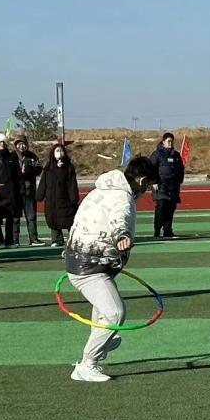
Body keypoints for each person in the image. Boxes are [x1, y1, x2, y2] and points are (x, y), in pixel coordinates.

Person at [64, 156, 158, 382]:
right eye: (147, 185)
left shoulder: (101, 190)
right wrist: (122, 236)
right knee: (115, 313)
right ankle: (87, 364)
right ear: (141, 180)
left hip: (86, 261)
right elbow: (119, 219)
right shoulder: (122, 198)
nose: (146, 190)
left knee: (104, 312)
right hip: (89, 267)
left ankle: (103, 342)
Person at [36, 143, 80, 247]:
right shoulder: (48, 167)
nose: (59, 153)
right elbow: (43, 182)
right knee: (53, 220)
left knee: (69, 220)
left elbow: (72, 184)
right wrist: (39, 195)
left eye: (61, 151)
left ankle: (72, 240)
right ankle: (56, 240)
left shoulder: (68, 167)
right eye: (57, 151)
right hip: (51, 200)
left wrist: (74, 198)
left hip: (65, 199)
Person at [148, 132, 185, 239]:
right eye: (168, 141)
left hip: (173, 187)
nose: (170, 143)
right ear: (163, 142)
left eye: (172, 141)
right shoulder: (157, 154)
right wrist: (153, 181)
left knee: (170, 208)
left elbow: (181, 169)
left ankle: (168, 230)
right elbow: (150, 168)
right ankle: (157, 231)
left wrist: (179, 180)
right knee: (161, 208)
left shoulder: (176, 155)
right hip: (161, 186)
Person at [13, 136, 44, 246]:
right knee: (15, 218)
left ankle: (33, 239)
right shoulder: (12, 156)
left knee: (31, 217)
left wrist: (29, 170)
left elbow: (39, 169)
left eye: (23, 144)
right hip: (16, 191)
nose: (21, 146)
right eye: (19, 144)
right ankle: (15, 240)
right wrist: (19, 172)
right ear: (15, 145)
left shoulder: (32, 156)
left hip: (29, 190)